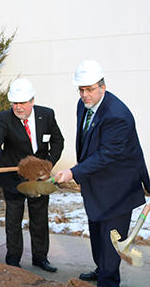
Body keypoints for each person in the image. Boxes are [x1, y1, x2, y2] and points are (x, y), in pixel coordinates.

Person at [56, 60, 150, 286]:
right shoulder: (85, 106)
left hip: (117, 189)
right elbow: (86, 143)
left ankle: (108, 280)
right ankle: (102, 270)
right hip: (96, 184)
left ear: (102, 87)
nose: (84, 94)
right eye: (81, 89)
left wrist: (74, 172)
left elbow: (106, 154)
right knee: (98, 237)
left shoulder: (117, 115)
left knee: (110, 246)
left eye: (89, 89)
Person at [0, 78, 64, 271]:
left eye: (22, 102)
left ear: (32, 100)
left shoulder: (47, 115)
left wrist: (47, 164)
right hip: (13, 178)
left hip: (38, 178)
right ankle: (13, 258)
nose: (18, 107)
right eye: (14, 103)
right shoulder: (6, 118)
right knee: (13, 220)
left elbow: (58, 141)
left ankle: (40, 257)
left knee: (39, 218)